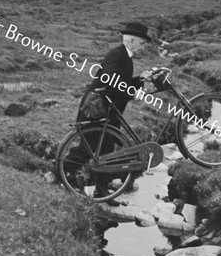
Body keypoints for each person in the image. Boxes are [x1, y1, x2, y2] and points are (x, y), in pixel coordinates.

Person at [59, 22, 154, 203]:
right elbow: (112, 84)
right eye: (142, 43)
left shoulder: (125, 56)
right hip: (96, 110)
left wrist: (140, 80)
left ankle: (102, 193)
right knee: (88, 149)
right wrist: (132, 92)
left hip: (108, 111)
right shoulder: (116, 55)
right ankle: (57, 174)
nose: (143, 47)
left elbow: (122, 82)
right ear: (133, 40)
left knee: (105, 153)